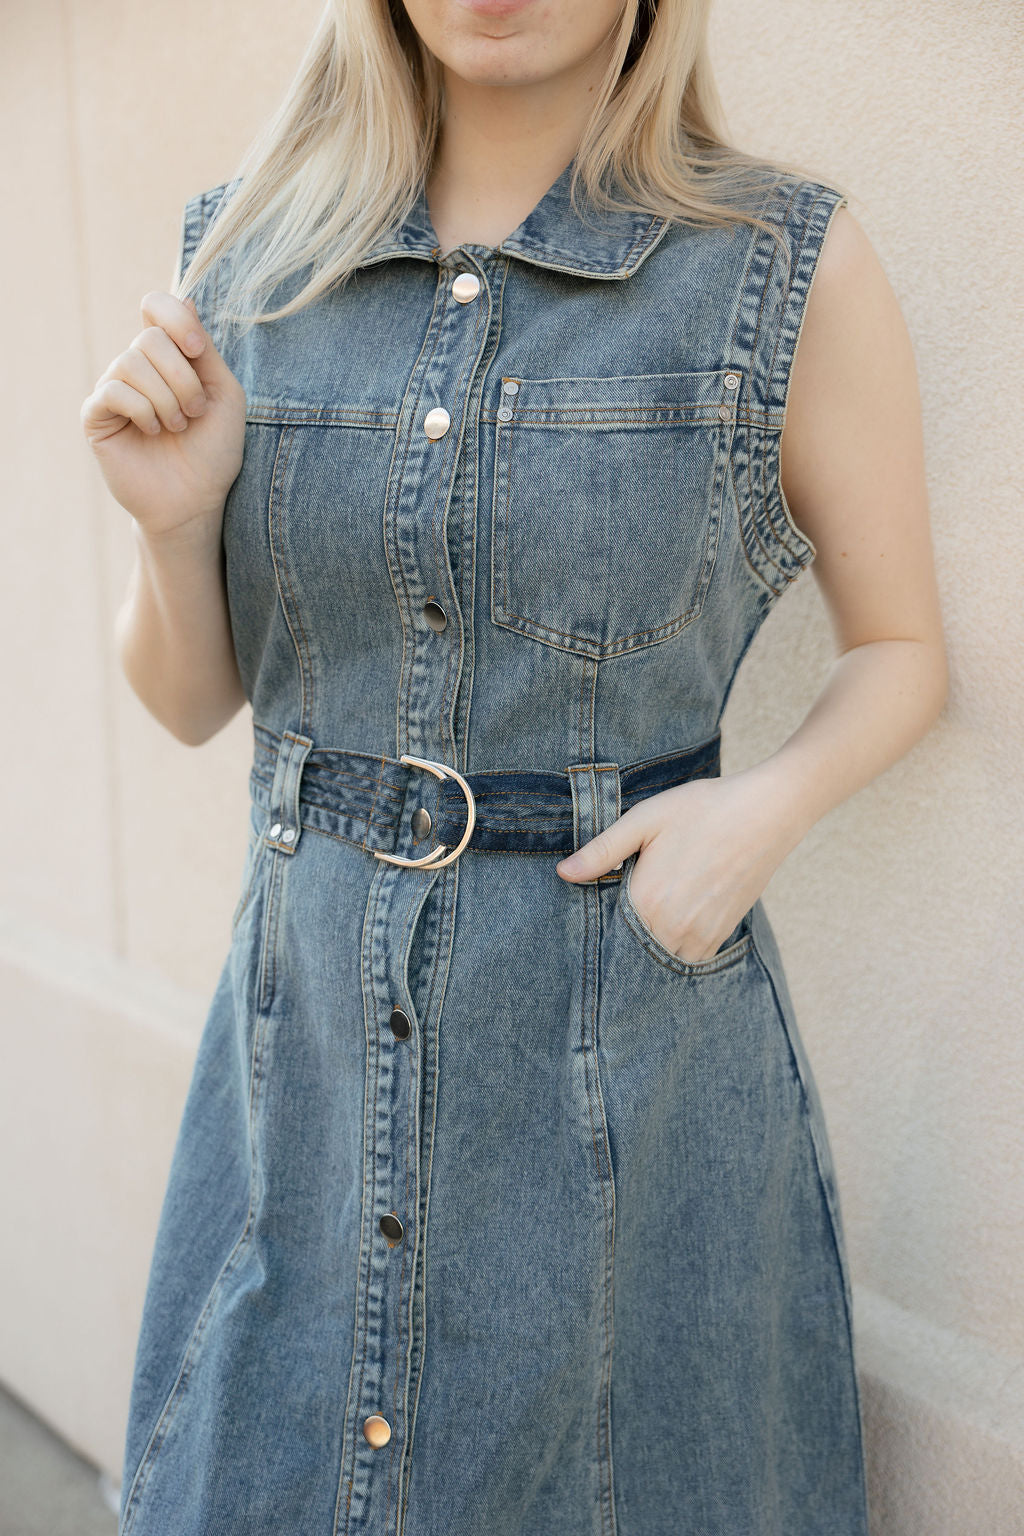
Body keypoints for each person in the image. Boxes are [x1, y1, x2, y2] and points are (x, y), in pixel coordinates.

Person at [81, 2, 947, 1533]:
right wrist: (171, 522)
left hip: (629, 1049)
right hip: (308, 1063)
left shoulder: (777, 263)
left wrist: (754, 818)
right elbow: (192, 701)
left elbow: (900, 648)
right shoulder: (252, 258)